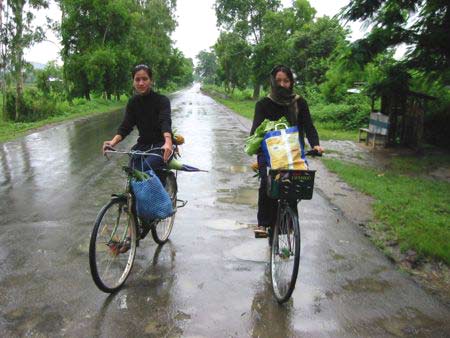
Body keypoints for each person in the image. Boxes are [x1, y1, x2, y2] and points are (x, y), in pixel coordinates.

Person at [250, 65, 324, 236]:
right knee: (266, 184)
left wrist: (316, 144)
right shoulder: (263, 104)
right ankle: (263, 224)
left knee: (294, 185)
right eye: (278, 81)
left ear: (291, 82)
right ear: (273, 82)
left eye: (286, 81)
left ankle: (286, 225)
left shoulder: (299, 102)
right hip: (270, 154)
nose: (282, 84)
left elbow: (309, 126)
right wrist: (261, 146)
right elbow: (255, 132)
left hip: (293, 154)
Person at [102, 64, 174, 171]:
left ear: (151, 80)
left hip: (161, 146)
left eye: (145, 79)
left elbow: (165, 121)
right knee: (132, 172)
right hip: (142, 146)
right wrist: (112, 142)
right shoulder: (133, 102)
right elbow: (126, 126)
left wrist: (168, 142)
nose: (141, 83)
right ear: (133, 82)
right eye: (137, 79)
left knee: (145, 168)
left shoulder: (162, 100)